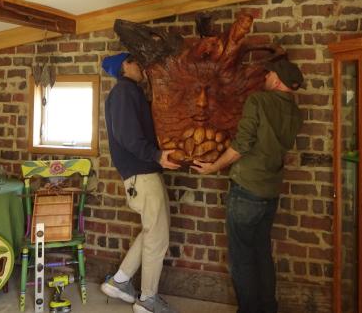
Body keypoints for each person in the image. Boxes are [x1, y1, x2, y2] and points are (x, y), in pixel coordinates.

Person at [192, 58, 304, 313]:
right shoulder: (295, 112)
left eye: (268, 73)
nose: (264, 77)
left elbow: (241, 145)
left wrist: (213, 166)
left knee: (241, 258)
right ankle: (268, 307)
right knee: (262, 253)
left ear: (276, 79)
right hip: (271, 191)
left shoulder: (259, 101)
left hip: (247, 190)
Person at [100, 52, 180, 313]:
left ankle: (120, 281)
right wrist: (156, 155)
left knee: (151, 231)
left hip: (141, 174)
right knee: (157, 236)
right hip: (142, 174)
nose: (141, 67)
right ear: (125, 65)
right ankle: (148, 300)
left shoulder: (129, 92)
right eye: (137, 62)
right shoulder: (124, 92)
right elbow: (128, 137)